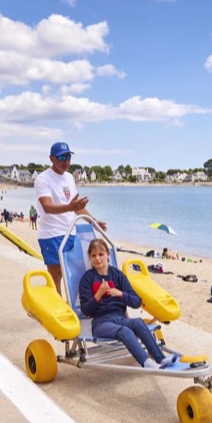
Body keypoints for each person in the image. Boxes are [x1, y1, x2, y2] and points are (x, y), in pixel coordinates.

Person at [78, 239, 178, 369]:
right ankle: (147, 363)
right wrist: (99, 295)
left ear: (108, 255)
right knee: (125, 331)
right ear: (90, 258)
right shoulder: (87, 279)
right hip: (100, 322)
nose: (97, 258)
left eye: (101, 254)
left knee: (138, 322)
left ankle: (162, 359)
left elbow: (137, 302)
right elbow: (85, 310)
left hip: (120, 317)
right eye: (93, 255)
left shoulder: (118, 275)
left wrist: (120, 294)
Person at [34, 141, 106, 293]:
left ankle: (73, 308)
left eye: (68, 157)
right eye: (61, 158)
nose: (65, 161)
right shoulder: (43, 179)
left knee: (78, 272)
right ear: (51, 158)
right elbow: (47, 207)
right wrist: (70, 207)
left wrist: (94, 222)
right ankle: (56, 311)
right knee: (56, 277)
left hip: (70, 233)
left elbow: (77, 208)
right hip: (52, 234)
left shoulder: (69, 178)